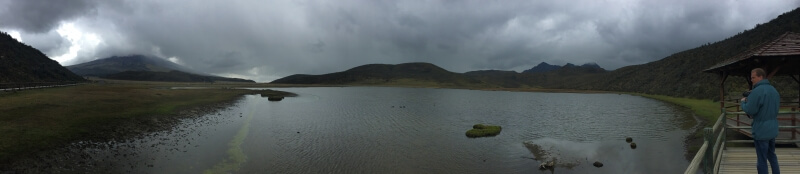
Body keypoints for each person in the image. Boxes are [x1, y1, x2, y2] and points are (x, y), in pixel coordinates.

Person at [741, 68, 780, 174]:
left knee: (762, 160)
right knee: (772, 156)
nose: (751, 80)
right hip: (772, 129)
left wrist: (743, 103)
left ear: (760, 77)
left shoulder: (757, 91)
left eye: (753, 77)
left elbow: (750, 110)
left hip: (761, 130)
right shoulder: (774, 90)